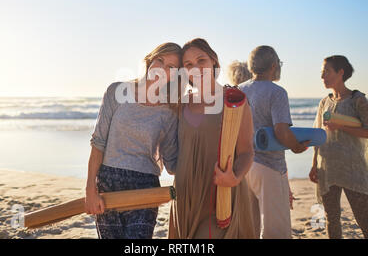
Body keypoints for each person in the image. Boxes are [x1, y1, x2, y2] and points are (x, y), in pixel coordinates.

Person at [85, 42, 181, 239]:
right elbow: (98, 143)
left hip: (145, 187)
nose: (162, 70)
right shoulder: (117, 92)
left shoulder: (169, 111)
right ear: (150, 60)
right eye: (160, 61)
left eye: (171, 67)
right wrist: (90, 189)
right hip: (108, 183)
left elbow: (172, 163)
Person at [169, 38, 256, 239]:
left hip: (220, 194)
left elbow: (246, 151)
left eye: (201, 61)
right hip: (185, 194)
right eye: (188, 65)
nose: (196, 68)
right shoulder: (181, 103)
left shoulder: (233, 99)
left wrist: (234, 177)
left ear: (214, 62)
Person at [238, 45, 309, 239]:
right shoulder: (277, 92)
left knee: (250, 227)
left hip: (243, 166)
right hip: (269, 166)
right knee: (276, 230)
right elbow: (281, 131)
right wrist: (296, 146)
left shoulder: (239, 90)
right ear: (273, 66)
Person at [309, 55, 368, 239]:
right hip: (328, 169)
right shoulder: (324, 102)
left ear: (340, 72)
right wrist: (313, 165)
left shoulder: (358, 99)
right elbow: (318, 134)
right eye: (322, 72)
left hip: (353, 170)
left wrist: (341, 127)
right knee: (331, 219)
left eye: (326, 71)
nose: (322, 76)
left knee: (365, 221)